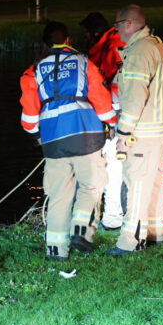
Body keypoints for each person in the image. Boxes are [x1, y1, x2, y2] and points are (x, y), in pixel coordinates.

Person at [20, 22, 116, 260]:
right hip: (86, 136)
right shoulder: (84, 63)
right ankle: (81, 230)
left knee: (58, 195)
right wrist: (113, 123)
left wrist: (39, 135)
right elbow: (103, 105)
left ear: (45, 44)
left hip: (53, 142)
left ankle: (56, 250)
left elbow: (29, 121)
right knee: (91, 185)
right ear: (69, 40)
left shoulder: (33, 71)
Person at [109, 4, 163, 256]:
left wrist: (123, 134)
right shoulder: (157, 45)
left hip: (141, 133)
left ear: (129, 24)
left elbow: (135, 98)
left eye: (117, 25)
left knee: (135, 185)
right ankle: (155, 233)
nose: (116, 30)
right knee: (154, 184)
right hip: (158, 131)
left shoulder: (139, 52)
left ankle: (129, 242)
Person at [80, 11, 126, 230]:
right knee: (110, 160)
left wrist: (111, 115)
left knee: (114, 161)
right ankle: (110, 209)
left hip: (116, 113)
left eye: (86, 33)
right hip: (110, 112)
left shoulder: (113, 45)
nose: (85, 37)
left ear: (94, 32)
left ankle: (113, 215)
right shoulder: (104, 46)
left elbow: (118, 80)